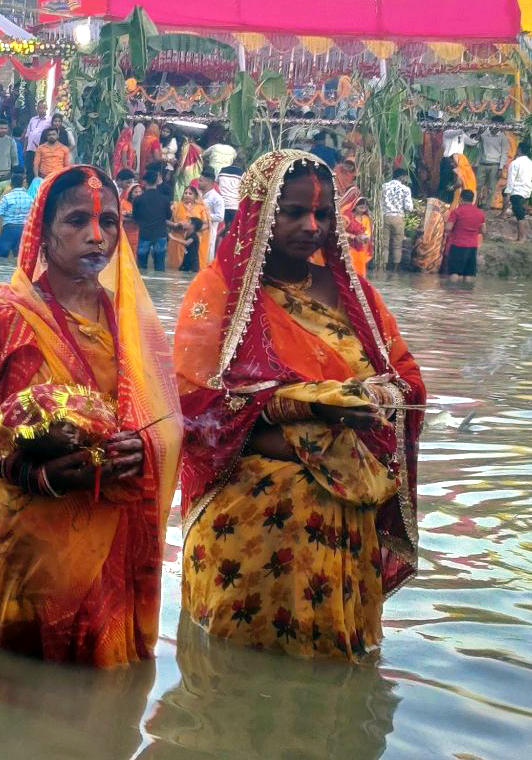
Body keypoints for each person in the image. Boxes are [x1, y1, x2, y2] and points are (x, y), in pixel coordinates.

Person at [173, 149, 424, 659]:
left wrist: (371, 398)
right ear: (260, 211)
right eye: (293, 212)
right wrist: (306, 411)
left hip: (349, 518)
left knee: (338, 683)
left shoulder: (354, 295)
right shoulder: (220, 292)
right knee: (232, 689)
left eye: (323, 214)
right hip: (254, 526)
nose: (311, 225)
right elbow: (193, 408)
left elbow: (409, 381)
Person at [0, 164, 181, 667]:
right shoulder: (5, 318)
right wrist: (32, 470)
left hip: (113, 535)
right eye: (77, 220)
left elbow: (166, 424)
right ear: (43, 232)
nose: (96, 235)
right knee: (16, 695)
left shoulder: (133, 323)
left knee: (104, 697)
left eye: (108, 221)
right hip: (28, 544)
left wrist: (140, 448)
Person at [128, 170, 173, 272]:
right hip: (160, 234)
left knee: (141, 267)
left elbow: (135, 218)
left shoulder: (138, 200)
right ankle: (160, 288)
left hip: (144, 235)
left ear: (144, 182)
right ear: (157, 181)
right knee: (160, 266)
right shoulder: (164, 199)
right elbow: (168, 216)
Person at [0, 167, 33, 259]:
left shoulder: (7, 197)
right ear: (23, 184)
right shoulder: (29, 198)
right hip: (23, 229)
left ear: (11, 184)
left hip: (9, 229)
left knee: (1, 255)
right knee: (18, 256)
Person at [445, 189, 484, 282]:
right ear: (472, 199)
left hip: (458, 245)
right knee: (468, 273)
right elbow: (483, 230)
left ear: (461, 199)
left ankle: (452, 294)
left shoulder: (456, 211)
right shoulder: (480, 212)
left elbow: (448, 228)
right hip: (472, 247)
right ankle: (467, 294)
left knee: (454, 272)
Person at [169, 184, 209, 272]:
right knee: (175, 270)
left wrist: (192, 228)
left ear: (195, 196)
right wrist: (176, 225)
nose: (187, 195)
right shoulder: (176, 206)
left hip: (194, 240)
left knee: (194, 268)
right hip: (177, 238)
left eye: (190, 194)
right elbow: (169, 221)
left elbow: (206, 225)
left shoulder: (201, 208)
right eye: (185, 193)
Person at [507, 143, 532, 242]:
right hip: (526, 191)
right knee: (521, 214)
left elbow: (511, 180)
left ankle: (521, 238)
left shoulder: (515, 163)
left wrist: (508, 193)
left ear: (519, 149)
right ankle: (522, 237)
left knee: (519, 215)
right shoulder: (530, 162)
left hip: (517, 191)